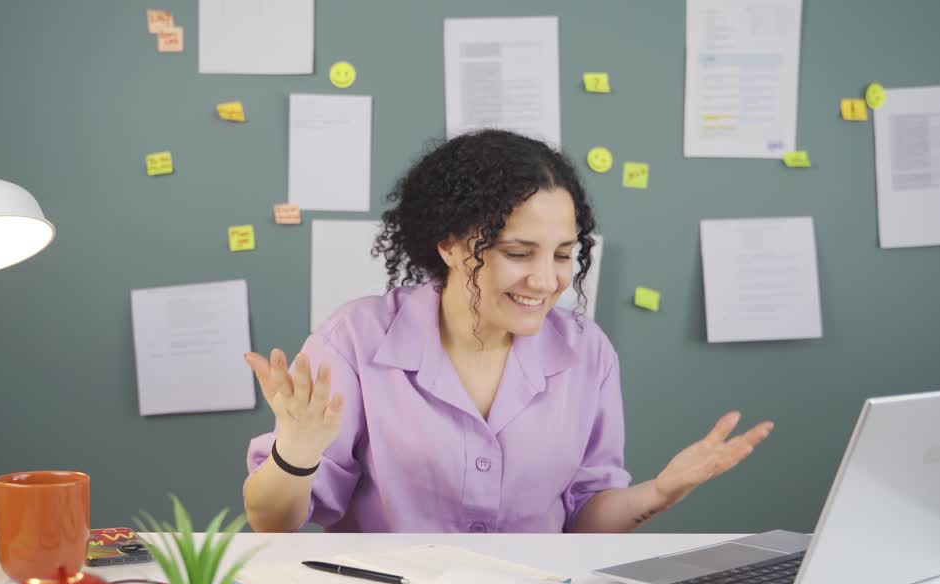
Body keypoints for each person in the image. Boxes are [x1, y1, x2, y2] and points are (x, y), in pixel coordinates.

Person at [243, 129, 772, 533]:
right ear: (448, 245)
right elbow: (273, 523)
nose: (546, 281)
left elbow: (586, 519)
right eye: (518, 253)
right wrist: (297, 450)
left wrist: (663, 490)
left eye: (564, 255)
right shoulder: (354, 340)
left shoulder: (587, 353)